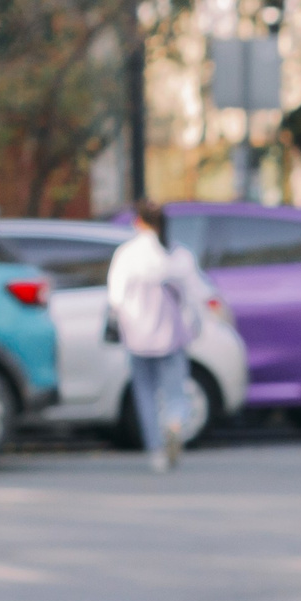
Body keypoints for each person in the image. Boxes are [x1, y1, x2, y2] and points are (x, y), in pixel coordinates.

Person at [106, 201, 207, 472]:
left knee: (145, 393)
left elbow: (115, 297)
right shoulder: (177, 254)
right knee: (175, 390)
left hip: (138, 334)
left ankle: (156, 449)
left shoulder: (127, 254)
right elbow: (196, 294)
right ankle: (175, 424)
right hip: (171, 334)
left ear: (138, 221)